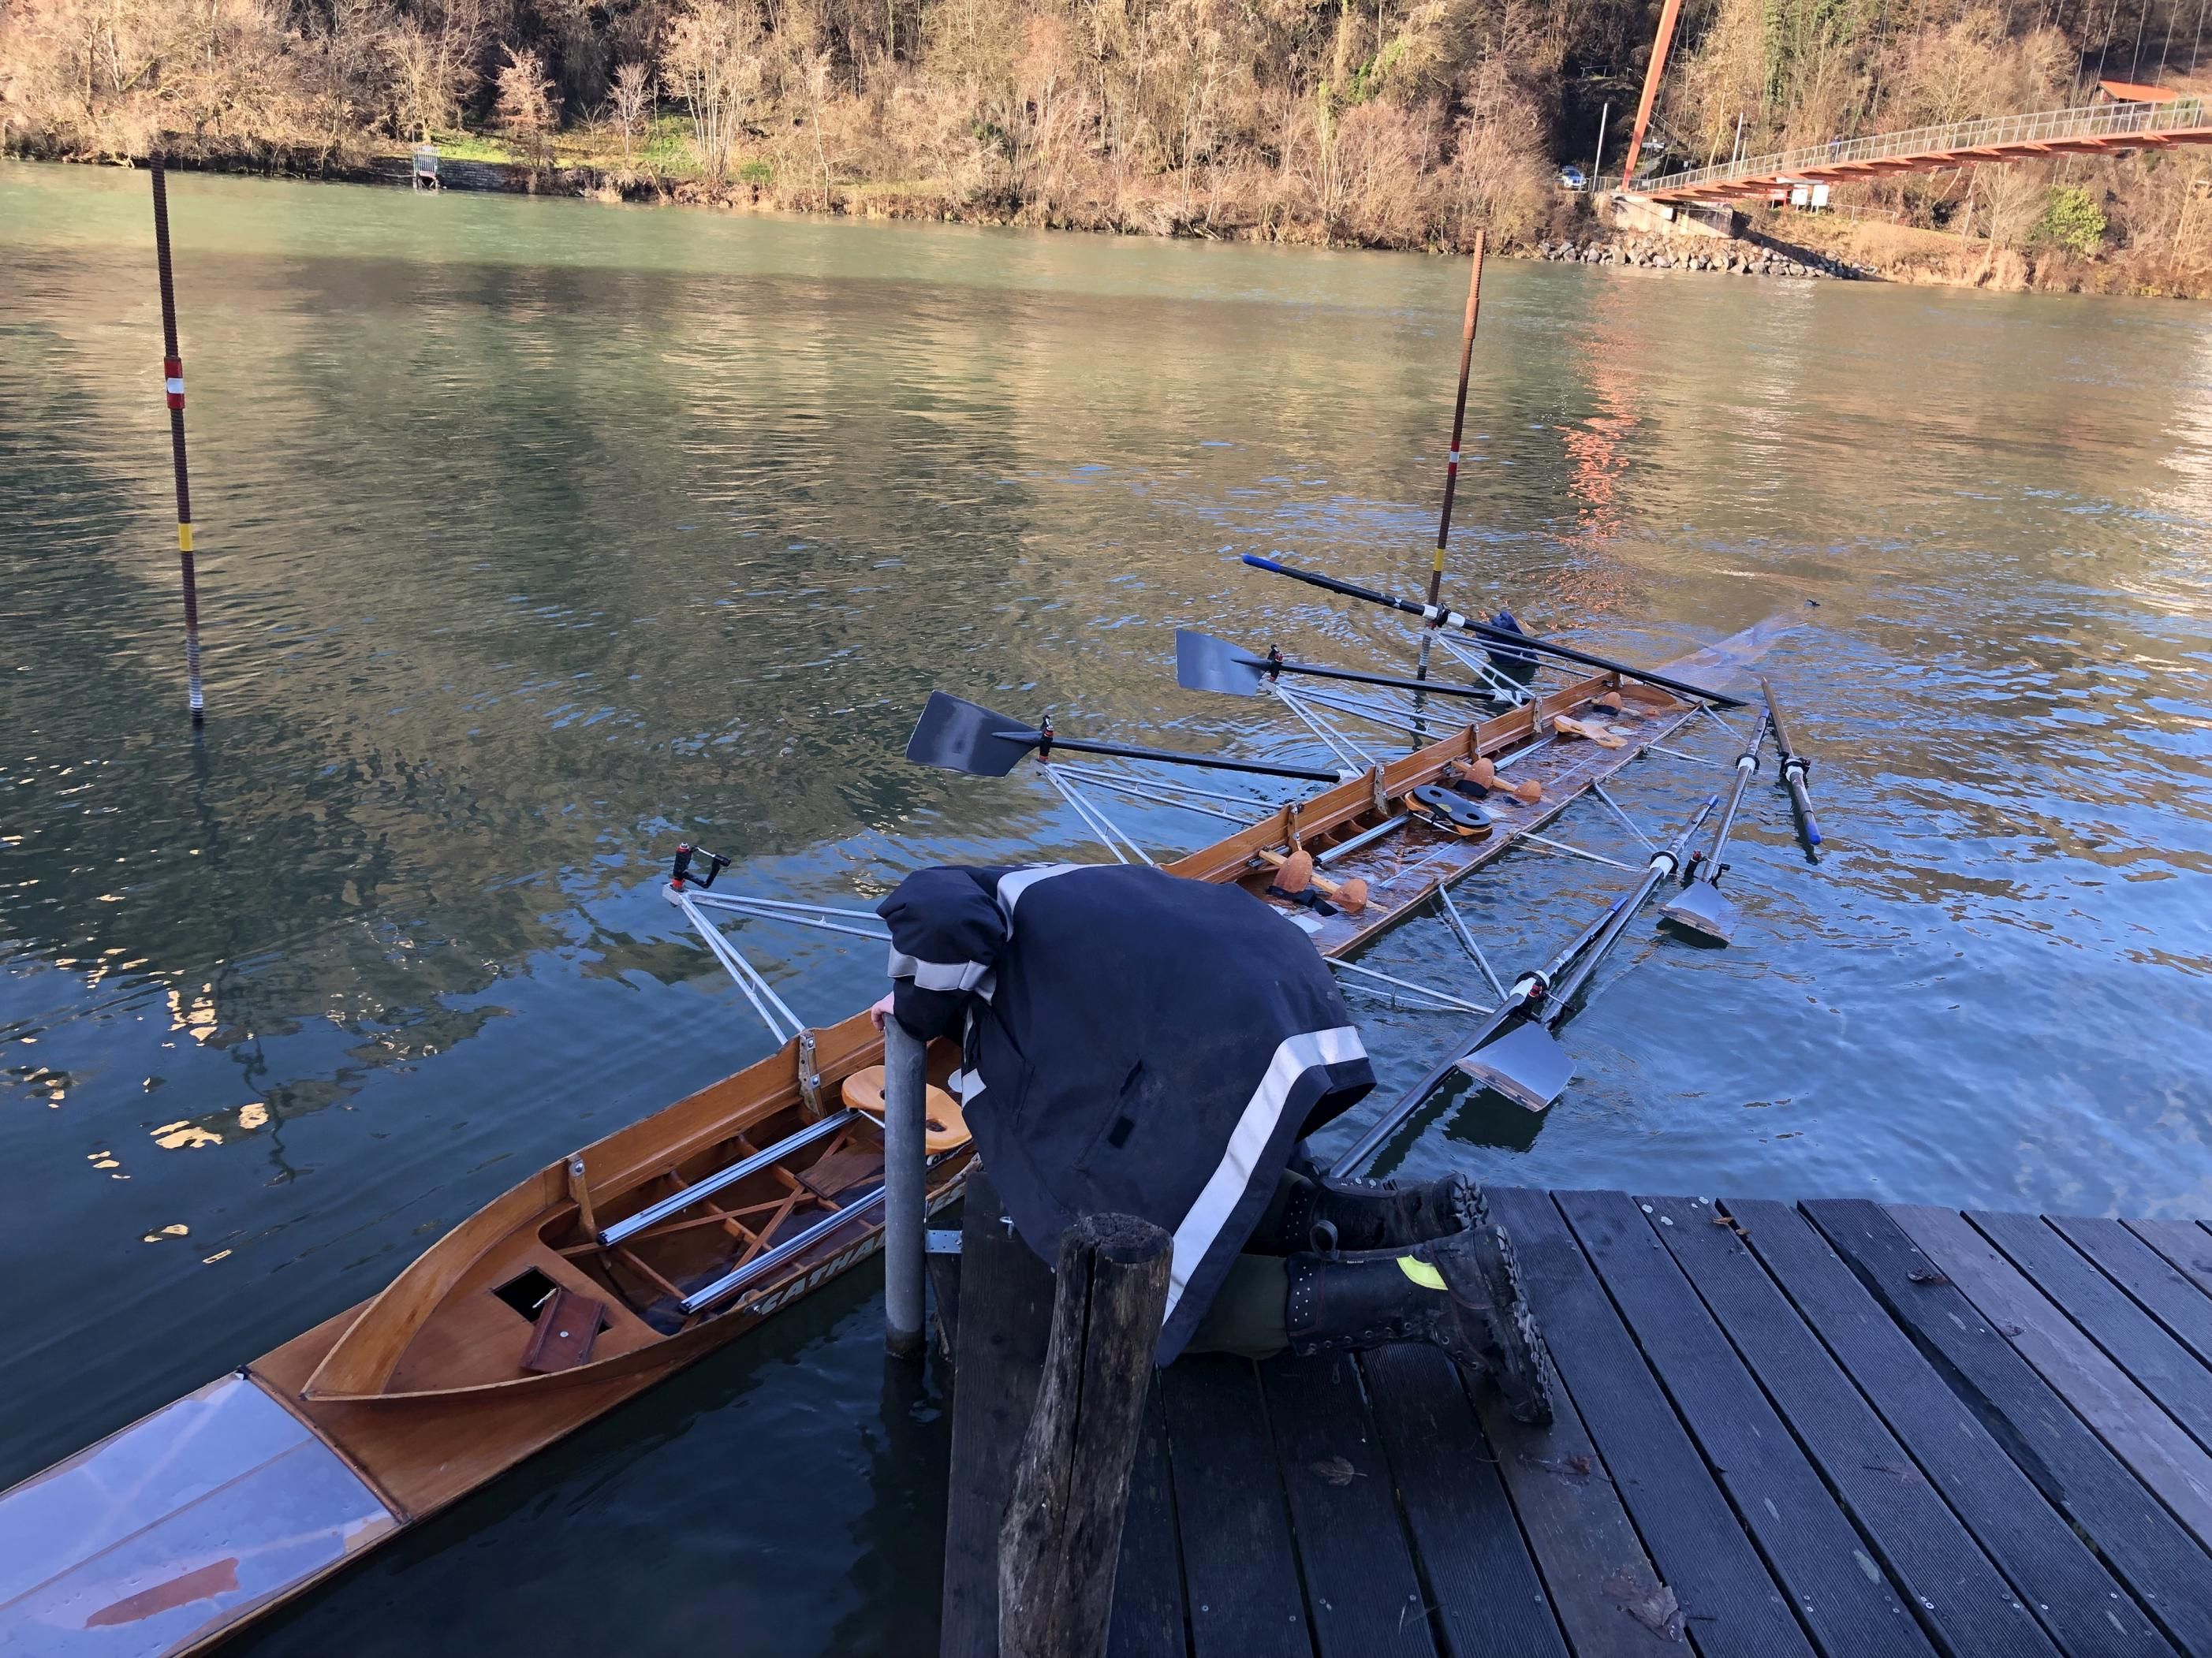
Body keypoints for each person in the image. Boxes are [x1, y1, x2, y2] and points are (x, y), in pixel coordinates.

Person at [871, 861, 1551, 1422]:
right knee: (1202, 1175)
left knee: (1139, 1297)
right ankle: (1409, 1216)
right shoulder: (1055, 897)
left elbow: (943, 918)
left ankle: (1439, 1288)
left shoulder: (956, 893)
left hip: (1208, 1025)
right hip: (1274, 982)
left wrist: (913, 1010)